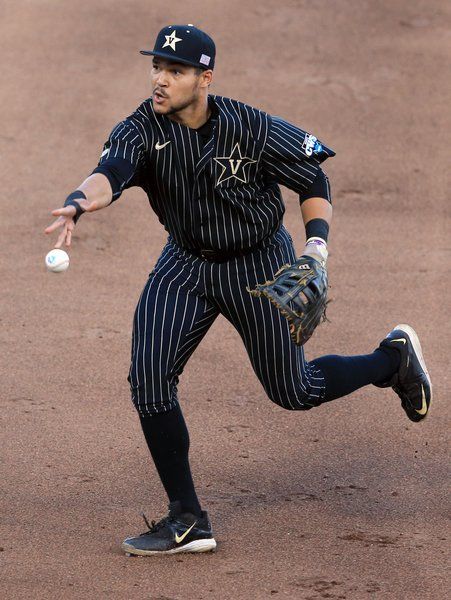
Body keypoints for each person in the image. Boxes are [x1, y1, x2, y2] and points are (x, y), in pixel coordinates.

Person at [45, 24, 432, 556]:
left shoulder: (250, 127)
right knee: (150, 379)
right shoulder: (141, 126)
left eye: (175, 71)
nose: (160, 79)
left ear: (205, 78)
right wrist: (78, 200)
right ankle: (187, 519)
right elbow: (109, 171)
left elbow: (312, 179)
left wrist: (315, 251)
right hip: (184, 265)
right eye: (156, 67)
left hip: (259, 265)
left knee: (293, 391)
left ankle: (391, 360)